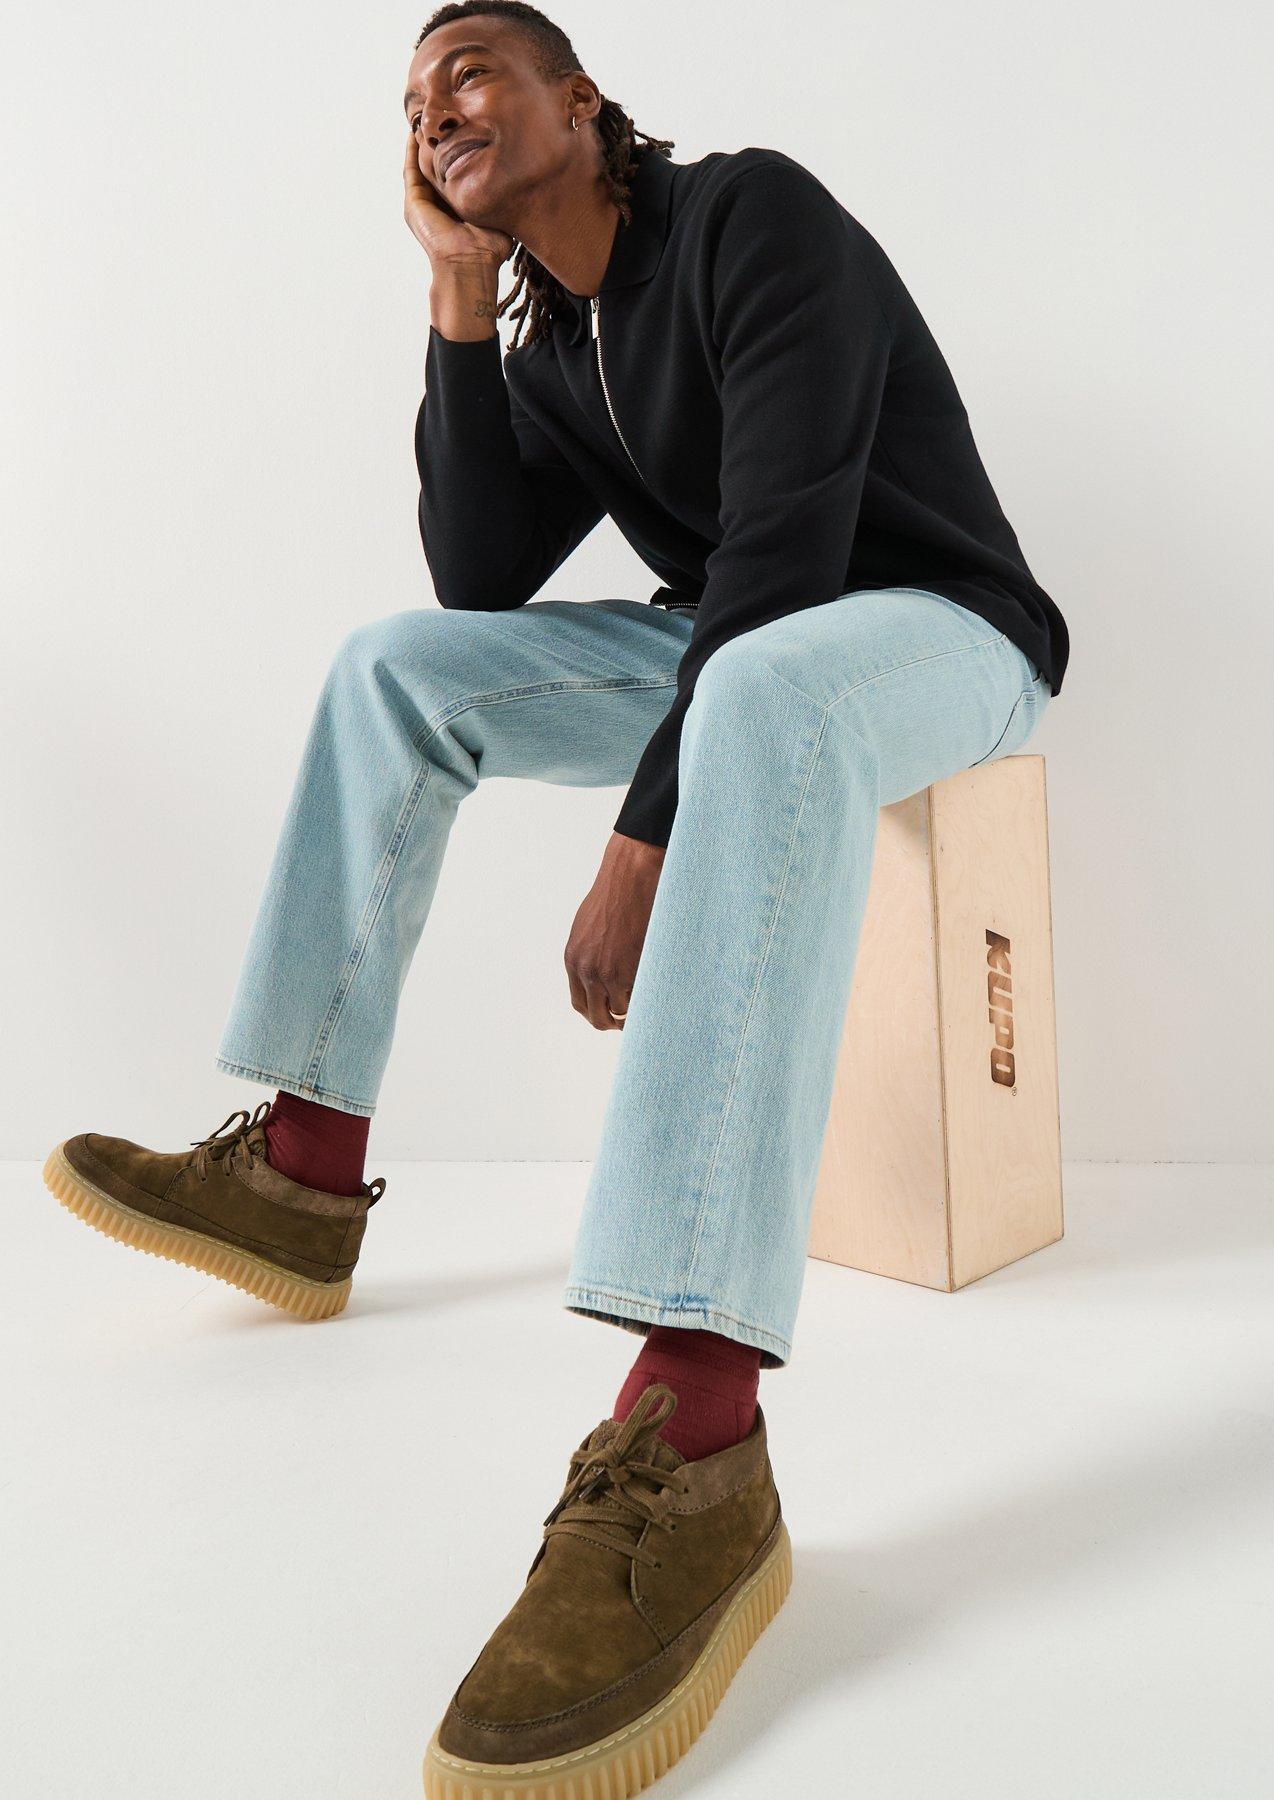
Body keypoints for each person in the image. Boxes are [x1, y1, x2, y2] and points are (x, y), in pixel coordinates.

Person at [41, 3, 1071, 1794]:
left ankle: (698, 1428)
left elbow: (785, 552)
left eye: (470, 73)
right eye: (410, 102)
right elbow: (475, 572)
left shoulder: (752, 217)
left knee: (756, 686)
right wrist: (460, 296)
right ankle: (301, 1167)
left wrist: (639, 843)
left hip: (931, 628)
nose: (433, 110)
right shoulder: (556, 336)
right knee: (396, 666)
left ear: (579, 102)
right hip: (741, 650)